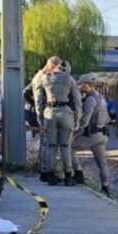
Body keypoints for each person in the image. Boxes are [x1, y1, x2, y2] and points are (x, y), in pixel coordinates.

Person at [35, 56, 82, 186]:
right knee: (65, 146)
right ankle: (68, 176)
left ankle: (50, 175)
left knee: (51, 146)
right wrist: (77, 119)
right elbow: (78, 102)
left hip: (49, 113)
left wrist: (39, 116)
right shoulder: (70, 79)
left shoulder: (45, 78)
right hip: (65, 112)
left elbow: (38, 99)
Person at [71, 81, 111, 195]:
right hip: (102, 134)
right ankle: (105, 187)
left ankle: (78, 173)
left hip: (92, 134)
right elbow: (107, 118)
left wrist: (74, 130)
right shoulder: (101, 98)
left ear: (87, 84)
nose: (79, 87)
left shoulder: (90, 100)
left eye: (81, 84)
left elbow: (84, 121)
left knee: (68, 146)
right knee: (102, 164)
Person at [32, 58, 60, 182]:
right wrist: (40, 116)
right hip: (44, 113)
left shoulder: (40, 76)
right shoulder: (41, 78)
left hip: (44, 113)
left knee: (46, 143)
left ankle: (44, 170)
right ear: (51, 66)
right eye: (56, 68)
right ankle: (46, 171)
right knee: (47, 143)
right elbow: (38, 99)